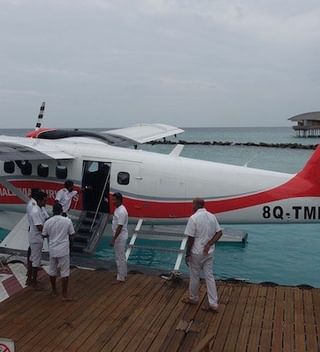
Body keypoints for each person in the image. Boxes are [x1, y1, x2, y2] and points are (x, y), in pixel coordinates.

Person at [183, 198, 223, 312]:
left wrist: (187, 253)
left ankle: (194, 298)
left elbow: (190, 238)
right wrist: (209, 244)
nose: (192, 206)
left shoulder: (193, 218)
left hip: (196, 252)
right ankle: (213, 303)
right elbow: (219, 232)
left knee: (194, 276)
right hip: (209, 252)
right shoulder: (212, 216)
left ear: (196, 205)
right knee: (209, 277)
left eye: (193, 204)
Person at [42, 202, 75, 301]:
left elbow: (44, 235)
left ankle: (54, 290)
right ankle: (64, 294)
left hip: (52, 249)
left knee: (52, 270)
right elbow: (72, 234)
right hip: (63, 249)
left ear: (53, 211)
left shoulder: (48, 222)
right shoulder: (67, 221)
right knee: (64, 272)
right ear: (61, 211)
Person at [28, 191, 49, 289]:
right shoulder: (36, 211)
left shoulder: (40, 209)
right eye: (44, 201)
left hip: (37, 237)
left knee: (33, 258)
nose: (46, 202)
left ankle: (30, 279)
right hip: (36, 238)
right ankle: (34, 283)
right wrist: (48, 233)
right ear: (39, 200)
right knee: (36, 261)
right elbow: (39, 226)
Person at [111, 192, 128, 283]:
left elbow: (120, 226)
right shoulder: (118, 209)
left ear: (119, 200)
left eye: (114, 200)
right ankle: (122, 273)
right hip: (119, 236)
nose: (112, 201)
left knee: (119, 257)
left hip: (120, 237)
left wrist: (113, 239)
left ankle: (120, 277)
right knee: (121, 256)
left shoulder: (121, 211)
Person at [25, 188, 40, 285]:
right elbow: (38, 224)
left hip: (32, 233)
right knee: (35, 259)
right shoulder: (34, 207)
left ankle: (29, 278)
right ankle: (33, 281)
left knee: (31, 256)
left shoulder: (32, 204)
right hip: (36, 235)